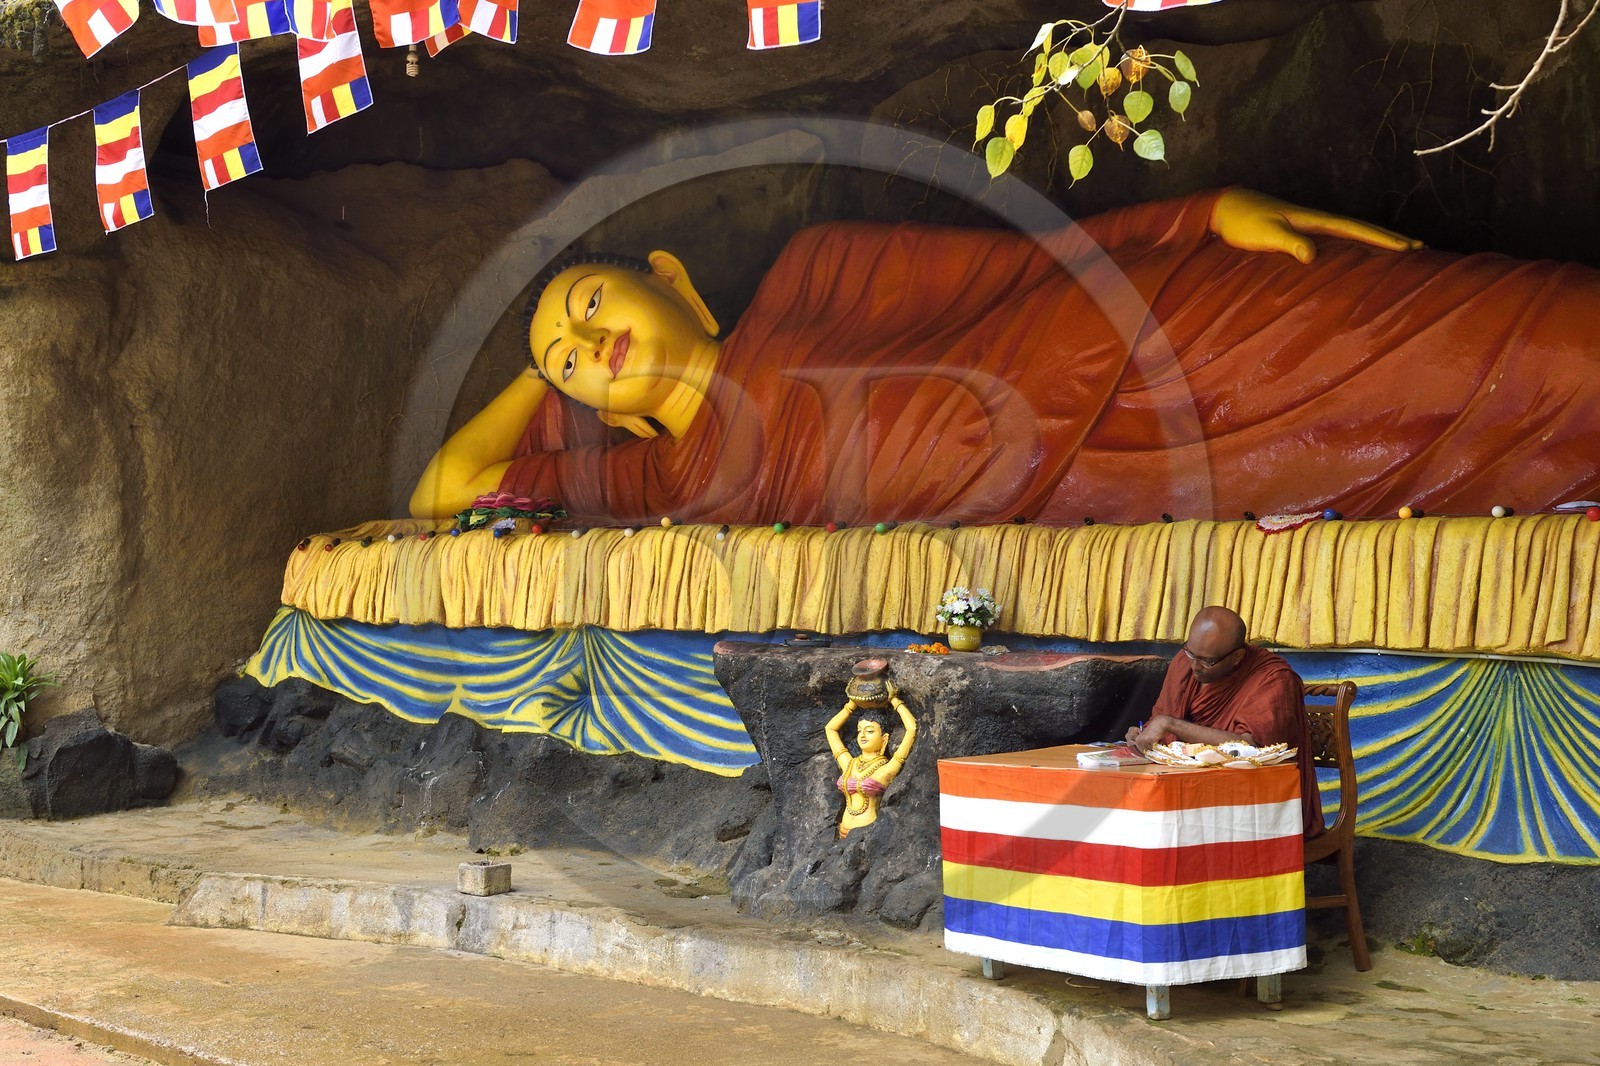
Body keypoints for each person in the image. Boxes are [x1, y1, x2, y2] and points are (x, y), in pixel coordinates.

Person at [409, 187, 1600, 525]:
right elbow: (443, 494)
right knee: (1433, 460)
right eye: (569, 356)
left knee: (1522, 338)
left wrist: (1195, 216)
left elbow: (1022, 267)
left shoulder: (818, 269)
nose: (580, 337)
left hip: (1153, 330)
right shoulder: (669, 482)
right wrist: (536, 365)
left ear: (669, 276)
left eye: (580, 299)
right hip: (1129, 484)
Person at [1125, 605, 1322, 837]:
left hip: (1253, 804)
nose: (1194, 666)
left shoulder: (1273, 679)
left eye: (1206, 661)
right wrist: (1145, 734)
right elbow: (1162, 725)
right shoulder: (1184, 663)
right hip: (1189, 791)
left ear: (1237, 656)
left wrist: (1170, 724)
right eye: (1190, 654)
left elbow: (1251, 749)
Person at [824, 658, 918, 838]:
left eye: (869, 731)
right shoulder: (850, 764)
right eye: (860, 731)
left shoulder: (886, 768)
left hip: (867, 834)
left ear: (884, 739)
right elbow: (830, 729)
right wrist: (851, 704)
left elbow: (912, 728)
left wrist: (894, 701)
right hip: (843, 830)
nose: (862, 735)